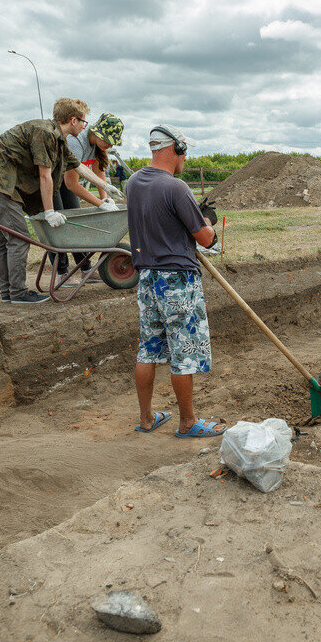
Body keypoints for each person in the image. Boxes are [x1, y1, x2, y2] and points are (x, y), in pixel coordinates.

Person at [0, 98, 117, 304]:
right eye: (84, 121)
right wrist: (49, 212)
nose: (85, 126)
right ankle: (18, 293)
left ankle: (8, 293)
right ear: (73, 120)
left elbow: (77, 167)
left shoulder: (57, 137)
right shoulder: (46, 133)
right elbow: (45, 176)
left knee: (1, 238)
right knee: (17, 236)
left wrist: (106, 187)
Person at [126, 125, 225, 438]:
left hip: (146, 278)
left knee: (148, 348)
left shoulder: (133, 183)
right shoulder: (176, 187)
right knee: (184, 352)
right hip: (178, 281)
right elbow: (206, 238)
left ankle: (146, 418)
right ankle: (187, 423)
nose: (186, 157)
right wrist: (205, 218)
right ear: (177, 149)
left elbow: (161, 222)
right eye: (185, 151)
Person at [51, 112, 127, 283]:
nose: (109, 144)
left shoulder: (97, 147)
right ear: (97, 132)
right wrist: (100, 204)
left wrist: (106, 198)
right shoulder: (76, 142)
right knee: (58, 226)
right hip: (52, 182)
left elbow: (98, 172)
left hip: (67, 182)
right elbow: (71, 184)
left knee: (77, 223)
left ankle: (86, 269)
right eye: (107, 140)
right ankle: (62, 273)